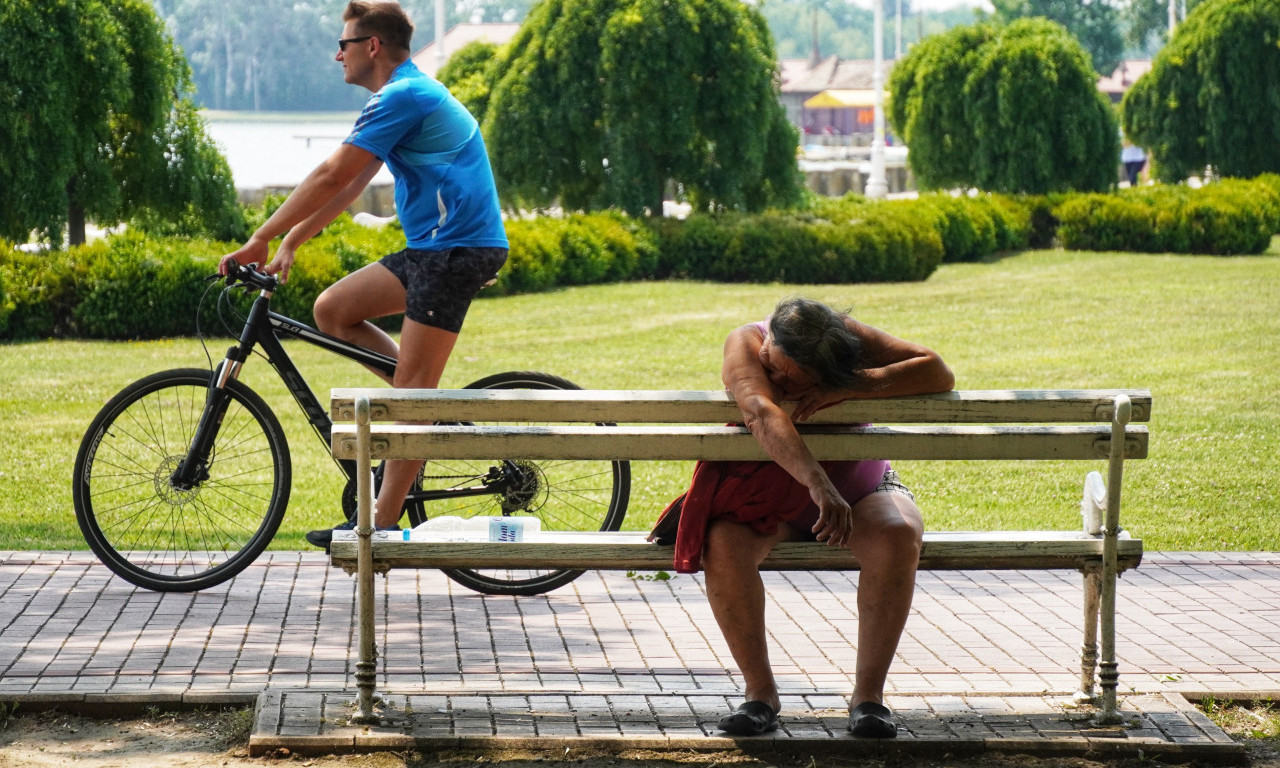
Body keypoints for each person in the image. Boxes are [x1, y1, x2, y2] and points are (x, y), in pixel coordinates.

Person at [218, 0, 508, 550]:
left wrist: (258, 239)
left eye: (345, 44)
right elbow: (351, 183)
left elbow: (331, 173)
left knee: (411, 394)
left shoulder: (404, 94)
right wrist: (291, 241)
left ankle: (380, 522)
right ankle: (423, 408)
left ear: (372, 46)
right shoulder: (397, 97)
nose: (337, 55)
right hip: (432, 249)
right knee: (333, 311)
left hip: (456, 250)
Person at [651, 297, 954, 738]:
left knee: (899, 533)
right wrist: (817, 484)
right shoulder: (746, 341)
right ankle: (760, 696)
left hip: (861, 488)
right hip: (772, 495)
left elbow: (936, 370)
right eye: (775, 367)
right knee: (724, 545)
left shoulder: (846, 338)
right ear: (770, 338)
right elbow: (760, 409)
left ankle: (868, 699)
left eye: (797, 380)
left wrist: (856, 384)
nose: (775, 378)